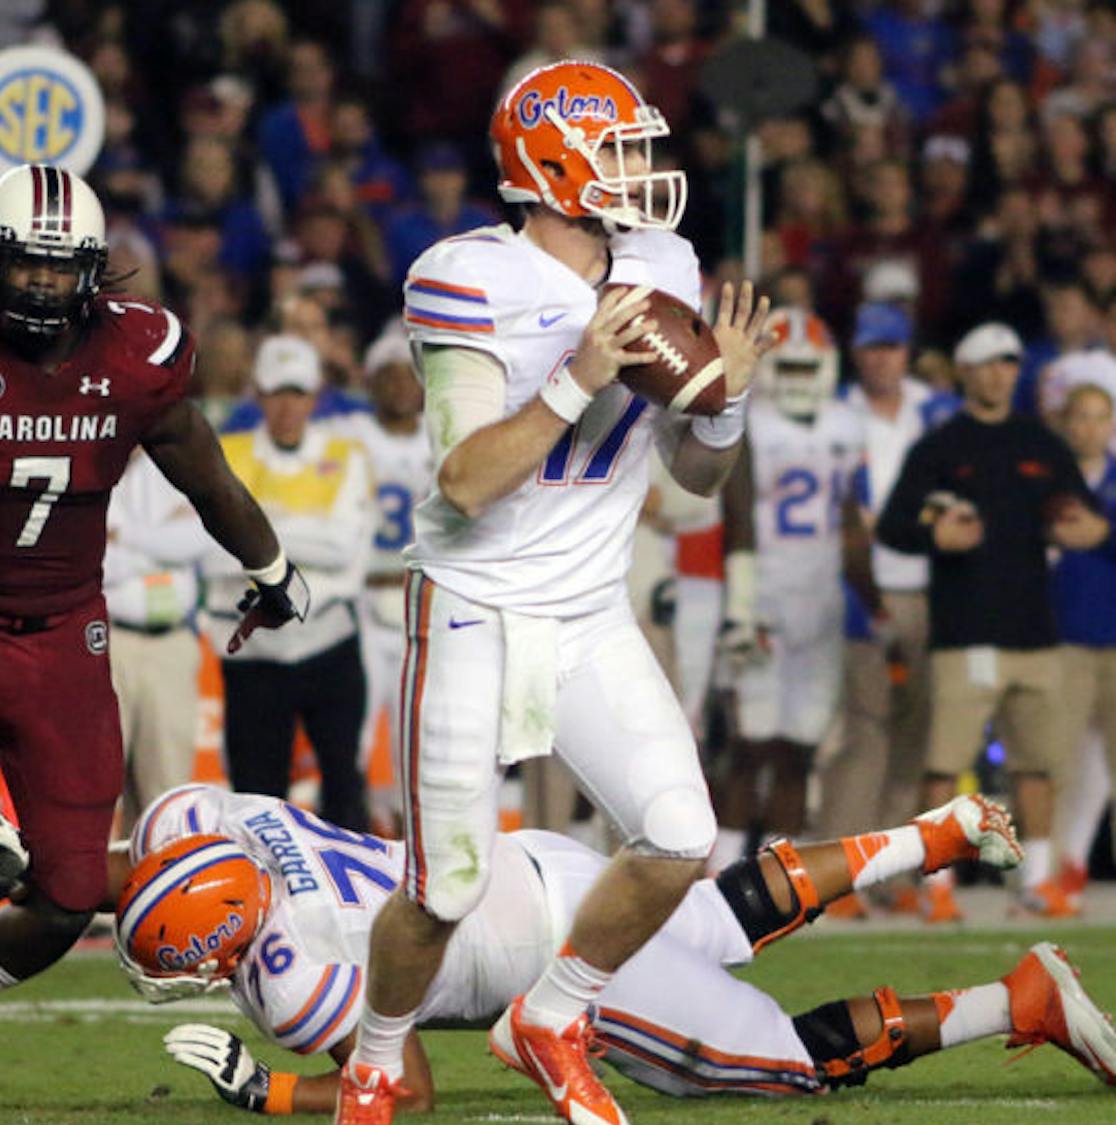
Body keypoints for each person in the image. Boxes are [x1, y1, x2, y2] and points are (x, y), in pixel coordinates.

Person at [0, 163, 307, 1118]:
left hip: (66, 637)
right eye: (23, 265)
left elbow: (211, 479)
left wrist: (273, 569)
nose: (39, 284)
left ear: (92, 272)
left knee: (73, 891)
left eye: (57, 266)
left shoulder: (137, 358)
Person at [340, 60, 773, 1125]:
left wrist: (725, 404)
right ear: (555, 164)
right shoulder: (468, 276)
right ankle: (375, 1058)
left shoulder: (661, 256)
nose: (643, 167)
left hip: (588, 612)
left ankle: (552, 1014)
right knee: (444, 889)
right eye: (621, 148)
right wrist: (576, 376)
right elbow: (465, 479)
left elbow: (698, 477)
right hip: (474, 606)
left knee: (680, 837)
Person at [0, 783, 1116, 1113]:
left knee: (779, 1063)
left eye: (187, 959)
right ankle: (938, 831)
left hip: (555, 962)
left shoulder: (289, 984)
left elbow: (397, 1088)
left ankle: (1018, 1000)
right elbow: (140, 875)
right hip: (535, 862)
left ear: (232, 943)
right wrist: (53, 878)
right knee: (716, 911)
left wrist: (270, 1093)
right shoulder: (200, 820)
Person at [877, 321, 1111, 924]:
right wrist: (934, 534)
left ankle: (1036, 882)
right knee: (943, 765)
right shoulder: (940, 447)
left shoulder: (1042, 444)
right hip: (963, 629)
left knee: (1037, 764)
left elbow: (1080, 514)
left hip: (1034, 628)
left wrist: (1088, 530)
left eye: (1008, 361)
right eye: (985, 362)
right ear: (963, 371)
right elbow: (892, 526)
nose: (998, 372)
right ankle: (940, 888)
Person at [712, 309, 872, 871]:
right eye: (791, 367)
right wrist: (739, 608)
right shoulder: (751, 422)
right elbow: (738, 519)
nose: (801, 379)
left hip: (822, 605)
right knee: (751, 744)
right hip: (766, 601)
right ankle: (720, 868)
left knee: (801, 746)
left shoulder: (846, 425)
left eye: (810, 367)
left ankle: (780, 872)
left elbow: (851, 522)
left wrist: (872, 603)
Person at [815, 302, 955, 920]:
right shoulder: (834, 410)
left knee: (915, 736)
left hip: (929, 583)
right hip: (860, 582)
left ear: (907, 351)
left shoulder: (936, 409)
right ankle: (839, 875)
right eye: (872, 347)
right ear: (857, 353)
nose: (882, 358)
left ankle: (892, 870)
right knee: (865, 732)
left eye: (892, 347)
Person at [207, 334, 375, 832]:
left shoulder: (347, 453)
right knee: (256, 795)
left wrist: (257, 534)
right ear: (258, 393)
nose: (287, 405)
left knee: (345, 782)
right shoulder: (225, 452)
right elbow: (210, 553)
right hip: (254, 651)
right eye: (277, 392)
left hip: (329, 641)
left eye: (297, 393)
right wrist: (305, 536)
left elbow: (346, 549)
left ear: (315, 396)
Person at [340, 327, 432, 827]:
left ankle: (408, 847)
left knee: (415, 739)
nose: (400, 386)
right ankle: (356, 830)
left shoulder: (442, 434)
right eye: (389, 376)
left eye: (409, 376)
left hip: (420, 600)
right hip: (364, 600)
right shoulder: (350, 435)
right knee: (353, 735)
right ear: (371, 382)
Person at [102, 449, 209, 822]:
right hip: (108, 643)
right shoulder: (80, 462)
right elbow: (89, 560)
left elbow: (199, 537)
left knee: (167, 797)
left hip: (172, 643)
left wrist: (122, 538)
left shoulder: (175, 462)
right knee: (97, 786)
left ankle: (157, 881)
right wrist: (161, 543)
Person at [1051, 383, 1116, 900]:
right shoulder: (1048, 477)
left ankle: (1077, 862)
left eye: (1099, 417)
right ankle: (1059, 871)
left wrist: (1105, 534)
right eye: (1081, 416)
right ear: (1067, 422)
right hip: (1065, 636)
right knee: (1059, 762)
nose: (1089, 427)